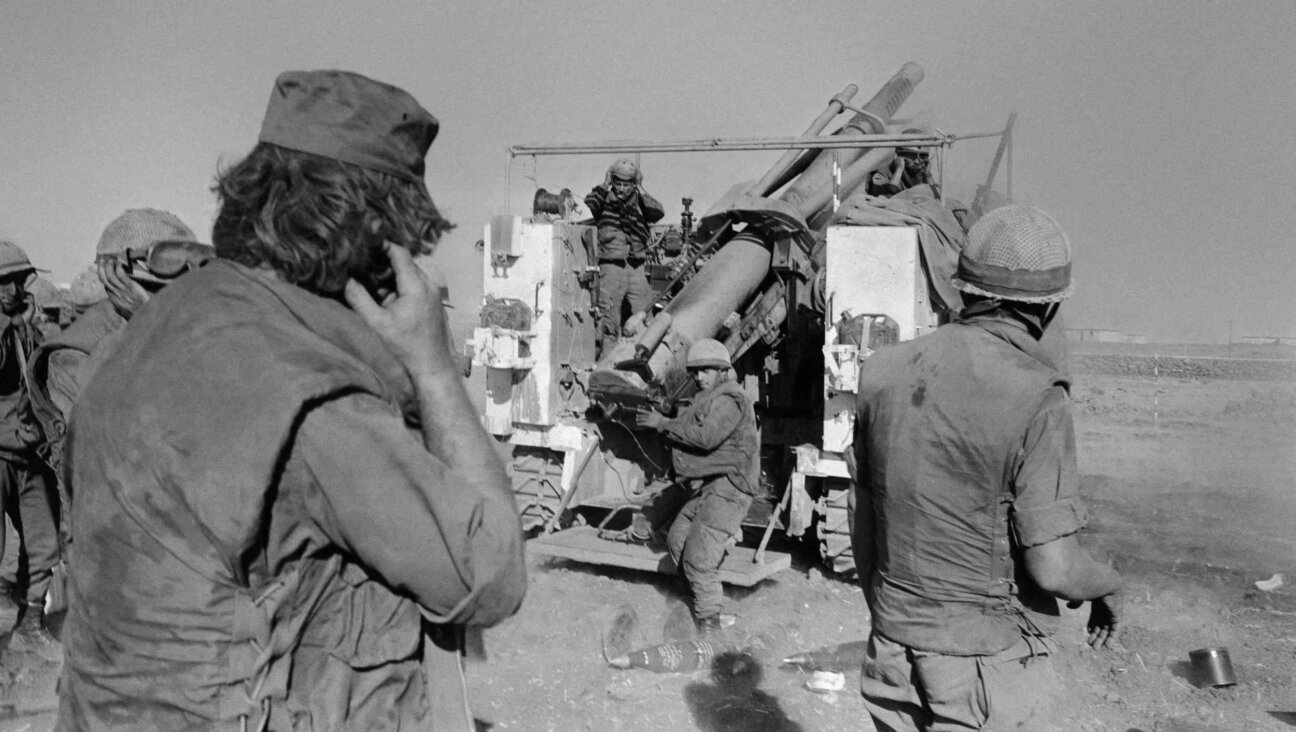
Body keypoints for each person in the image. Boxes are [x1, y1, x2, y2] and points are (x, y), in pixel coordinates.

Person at [57, 69, 527, 731]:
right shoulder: (313, 397)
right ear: (378, 233)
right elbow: (490, 577)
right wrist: (434, 368)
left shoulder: (141, 339)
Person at [849, 205, 1124, 731]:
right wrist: (1108, 582)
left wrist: (896, 619)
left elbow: (862, 520)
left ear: (966, 291)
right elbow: (1056, 569)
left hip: (890, 653)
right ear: (1045, 311)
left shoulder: (880, 372)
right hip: (983, 666)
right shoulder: (1037, 396)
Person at [635, 339, 759, 633]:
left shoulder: (731, 399)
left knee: (698, 559)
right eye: (696, 372)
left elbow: (706, 436)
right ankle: (697, 602)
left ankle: (710, 626)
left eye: (705, 371)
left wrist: (661, 424)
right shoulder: (710, 395)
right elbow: (689, 415)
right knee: (677, 540)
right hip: (711, 485)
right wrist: (665, 411)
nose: (699, 377)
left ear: (721, 370)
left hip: (732, 487)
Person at [0, 241, 60, 662]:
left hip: (28, 449)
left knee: (45, 542)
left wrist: (27, 328)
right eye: (8, 280)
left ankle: (31, 623)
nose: (17, 287)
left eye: (21, 279)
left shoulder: (27, 321)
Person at [585, 158, 665, 346]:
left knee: (645, 317)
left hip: (636, 268)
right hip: (611, 267)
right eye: (617, 183)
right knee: (608, 322)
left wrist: (641, 188)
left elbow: (657, 212)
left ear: (634, 183)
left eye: (626, 185)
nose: (620, 189)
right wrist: (605, 184)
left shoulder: (641, 202)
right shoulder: (603, 199)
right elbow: (591, 202)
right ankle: (606, 361)